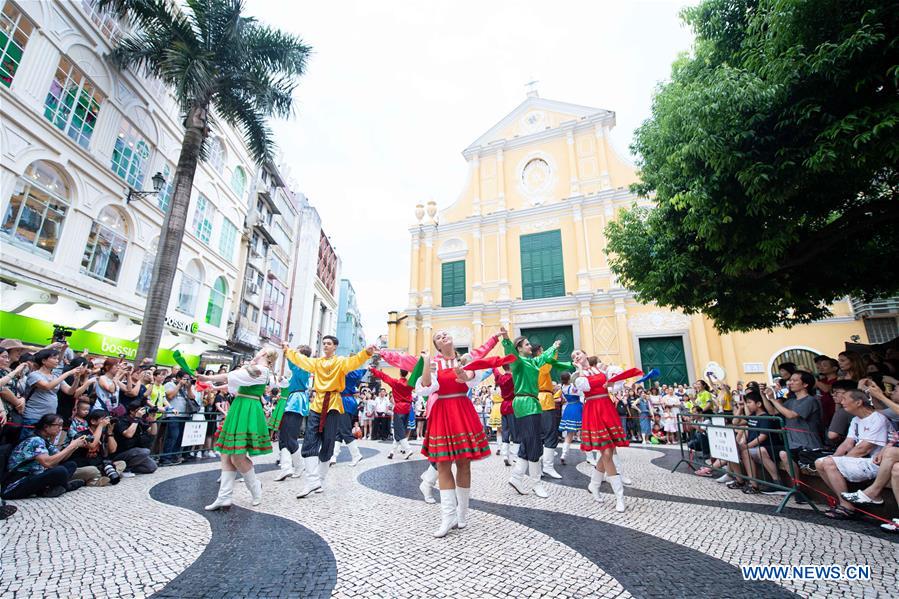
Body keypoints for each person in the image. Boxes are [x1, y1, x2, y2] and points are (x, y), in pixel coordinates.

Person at [414, 329, 498, 537]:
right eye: (438, 337)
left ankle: (462, 514)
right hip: (442, 411)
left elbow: (471, 379)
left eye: (445, 334)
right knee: (443, 464)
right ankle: (448, 516)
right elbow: (425, 387)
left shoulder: (465, 359)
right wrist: (426, 362)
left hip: (462, 409)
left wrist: (463, 374)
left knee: (463, 463)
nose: (443, 336)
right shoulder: (434, 363)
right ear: (437, 346)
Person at [283, 336, 374, 499]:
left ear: (335, 346)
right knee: (310, 440)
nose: (325, 345)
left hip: (333, 404)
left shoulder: (341, 362)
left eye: (329, 343)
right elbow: (301, 360)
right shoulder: (317, 362)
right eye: (324, 343)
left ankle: (320, 480)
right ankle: (312, 480)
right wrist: (288, 350)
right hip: (317, 404)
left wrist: (366, 352)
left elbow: (354, 361)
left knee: (328, 442)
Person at [200, 349, 278, 511]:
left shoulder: (261, 370)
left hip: (247, 408)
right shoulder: (256, 369)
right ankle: (224, 497)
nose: (257, 353)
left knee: (237, 456)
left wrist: (208, 378)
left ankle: (255, 488)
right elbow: (235, 382)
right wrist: (213, 385)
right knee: (227, 453)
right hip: (240, 407)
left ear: (265, 355)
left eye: (261, 351)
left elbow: (234, 376)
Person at [572, 351, 642, 512]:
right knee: (606, 452)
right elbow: (585, 387)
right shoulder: (576, 375)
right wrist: (580, 369)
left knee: (608, 452)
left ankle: (594, 484)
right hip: (593, 409)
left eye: (578, 354)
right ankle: (619, 496)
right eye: (573, 356)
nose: (576, 356)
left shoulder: (601, 369)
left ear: (585, 354)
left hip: (606, 407)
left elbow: (614, 386)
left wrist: (614, 383)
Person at [815, 389, 892, 519]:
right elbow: (847, 443)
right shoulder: (856, 419)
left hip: (876, 463)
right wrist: (835, 457)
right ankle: (846, 503)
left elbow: (865, 448)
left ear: (858, 402)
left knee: (829, 463)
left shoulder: (878, 419)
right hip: (860, 461)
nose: (841, 402)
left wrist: (839, 461)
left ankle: (847, 508)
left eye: (845, 398)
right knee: (820, 462)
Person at [501, 330, 558, 500]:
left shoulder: (533, 362)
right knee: (534, 444)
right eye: (526, 344)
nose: (530, 346)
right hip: (525, 403)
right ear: (519, 348)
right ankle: (536, 483)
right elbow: (510, 352)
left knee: (528, 442)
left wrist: (553, 347)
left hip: (533, 403)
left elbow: (544, 357)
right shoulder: (517, 362)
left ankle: (516, 477)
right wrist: (506, 339)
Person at [2, 413, 88, 499]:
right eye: (58, 425)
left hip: (33, 476)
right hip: (15, 485)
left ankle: (51, 488)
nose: (60, 429)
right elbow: (48, 463)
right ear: (46, 426)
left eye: (61, 426)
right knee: (60, 470)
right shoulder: (35, 440)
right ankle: (64, 486)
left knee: (71, 465)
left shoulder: (44, 440)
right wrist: (71, 446)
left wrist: (74, 446)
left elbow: (62, 458)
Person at [21, 349, 87, 441]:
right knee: (27, 443)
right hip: (34, 416)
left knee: (43, 445)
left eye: (57, 358)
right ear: (44, 361)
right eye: (54, 358)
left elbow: (70, 391)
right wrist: (68, 373)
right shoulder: (34, 375)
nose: (57, 361)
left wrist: (77, 378)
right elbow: (47, 386)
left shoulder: (55, 376)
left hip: (49, 419)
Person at [533, 345, 572, 479]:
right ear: (539, 352)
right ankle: (547, 467)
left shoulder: (531, 363)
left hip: (537, 400)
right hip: (544, 401)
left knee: (539, 435)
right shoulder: (540, 363)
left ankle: (538, 468)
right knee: (550, 434)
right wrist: (554, 350)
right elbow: (549, 363)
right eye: (543, 350)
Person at [274, 345, 312, 482]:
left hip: (296, 402)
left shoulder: (303, 367)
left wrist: (287, 350)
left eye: (297, 353)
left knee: (289, 437)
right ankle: (287, 467)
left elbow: (291, 363)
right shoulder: (300, 368)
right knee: (284, 436)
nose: (294, 355)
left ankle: (297, 466)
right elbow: (290, 383)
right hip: (292, 401)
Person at [370, 367, 415, 460]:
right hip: (407, 408)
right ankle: (392, 451)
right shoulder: (410, 383)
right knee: (400, 430)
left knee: (399, 430)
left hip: (399, 408)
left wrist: (373, 369)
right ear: (407, 374)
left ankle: (408, 449)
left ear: (400, 373)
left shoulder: (395, 382)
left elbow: (384, 376)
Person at [330, 368, 367, 466]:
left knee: (345, 431)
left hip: (344, 403)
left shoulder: (343, 373)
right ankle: (333, 456)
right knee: (338, 432)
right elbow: (361, 371)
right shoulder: (354, 373)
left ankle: (356, 455)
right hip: (347, 401)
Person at [112, 400, 159, 475]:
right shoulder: (121, 420)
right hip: (121, 453)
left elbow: (153, 432)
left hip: (135, 452)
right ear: (131, 411)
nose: (142, 412)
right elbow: (128, 435)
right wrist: (136, 419)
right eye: (139, 410)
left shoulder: (140, 421)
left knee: (152, 467)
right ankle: (125, 469)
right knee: (145, 452)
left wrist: (153, 421)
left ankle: (126, 468)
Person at [493, 364, 516, 466]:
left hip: (503, 405)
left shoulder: (501, 378)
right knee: (515, 431)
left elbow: (495, 372)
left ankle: (505, 455)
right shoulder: (514, 377)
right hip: (512, 405)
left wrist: (494, 366)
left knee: (505, 430)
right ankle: (516, 456)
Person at [558, 371, 583, 465]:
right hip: (577, 408)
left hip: (569, 408)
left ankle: (563, 455)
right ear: (569, 379)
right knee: (583, 431)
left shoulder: (562, 387)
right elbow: (581, 393)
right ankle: (589, 456)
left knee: (569, 433)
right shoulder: (573, 387)